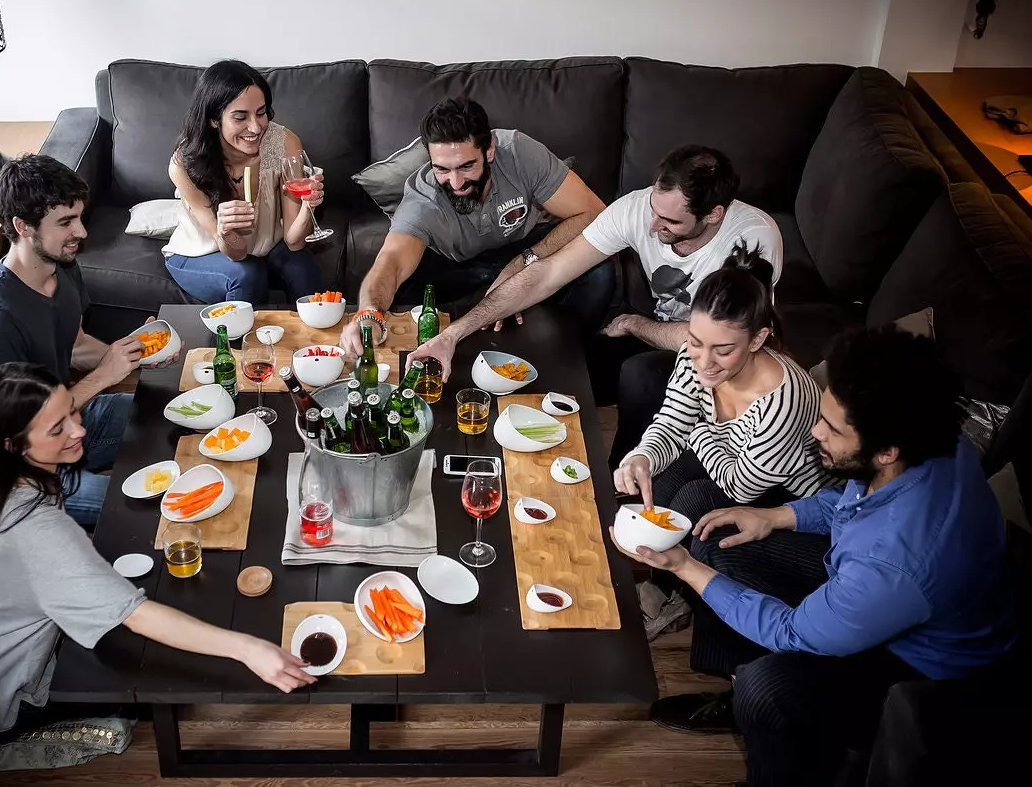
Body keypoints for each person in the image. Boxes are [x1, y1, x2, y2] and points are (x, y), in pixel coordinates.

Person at [612, 326, 1017, 787]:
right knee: (719, 532)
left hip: (918, 667)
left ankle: (769, 741)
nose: (814, 430)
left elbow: (793, 631)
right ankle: (734, 683)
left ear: (886, 450)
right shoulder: (931, 440)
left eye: (832, 429)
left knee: (768, 690)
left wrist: (685, 568)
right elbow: (852, 501)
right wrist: (776, 516)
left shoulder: (898, 560)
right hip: (872, 584)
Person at [0, 363, 314, 740]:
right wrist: (250, 649)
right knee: (159, 683)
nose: (79, 429)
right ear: (12, 445)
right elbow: (136, 616)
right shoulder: (35, 529)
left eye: (72, 410)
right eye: (57, 429)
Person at [410, 145, 782, 463]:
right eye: (654, 209)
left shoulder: (751, 241)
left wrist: (636, 325)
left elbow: (719, 341)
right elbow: (548, 272)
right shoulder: (636, 209)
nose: (653, 226)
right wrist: (454, 333)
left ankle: (623, 481)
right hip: (661, 328)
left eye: (670, 221)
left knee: (641, 377)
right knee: (567, 374)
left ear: (714, 214)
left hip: (715, 353)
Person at [0, 154, 172, 528]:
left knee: (169, 413)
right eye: (65, 222)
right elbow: (11, 432)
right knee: (144, 509)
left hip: (71, 419)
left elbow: (74, 345)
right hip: (21, 470)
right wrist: (103, 377)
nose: (82, 232)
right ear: (22, 227)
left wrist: (136, 352)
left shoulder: (63, 267)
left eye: (79, 217)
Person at [340, 97, 609, 356]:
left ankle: (569, 362)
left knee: (600, 270)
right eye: (442, 169)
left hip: (520, 247)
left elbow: (595, 212)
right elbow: (392, 261)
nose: (456, 183)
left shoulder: (520, 153)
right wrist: (369, 314)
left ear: (489, 150)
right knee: (412, 296)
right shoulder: (423, 200)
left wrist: (524, 263)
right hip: (455, 267)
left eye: (467, 166)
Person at [613, 242, 830, 518]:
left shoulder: (783, 403)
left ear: (757, 339)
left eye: (724, 350)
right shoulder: (692, 357)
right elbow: (671, 425)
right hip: (725, 458)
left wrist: (695, 430)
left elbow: (741, 488)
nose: (704, 363)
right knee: (658, 485)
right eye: (695, 341)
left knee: (694, 501)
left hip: (790, 494)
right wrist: (641, 457)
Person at [164, 59, 325, 303]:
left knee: (302, 267)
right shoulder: (184, 165)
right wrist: (225, 230)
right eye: (240, 117)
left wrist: (307, 207)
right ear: (214, 119)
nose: (256, 127)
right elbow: (236, 253)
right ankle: (243, 342)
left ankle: (326, 340)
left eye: (261, 113)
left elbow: (294, 242)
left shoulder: (284, 143)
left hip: (264, 249)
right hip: (205, 251)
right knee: (248, 273)